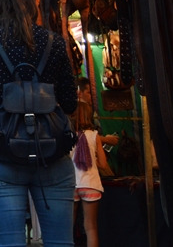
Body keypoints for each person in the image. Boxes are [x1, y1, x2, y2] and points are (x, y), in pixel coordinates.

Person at [0, 0, 77, 247]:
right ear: (28, 2)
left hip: (2, 154)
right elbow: (70, 103)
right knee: (61, 242)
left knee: (9, 243)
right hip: (52, 152)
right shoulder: (54, 42)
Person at [72, 101, 105, 247]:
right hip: (91, 184)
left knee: (68, 227)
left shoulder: (68, 136)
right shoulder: (95, 136)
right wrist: (90, 160)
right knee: (91, 227)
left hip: (72, 184)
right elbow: (103, 165)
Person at [76, 77, 119, 148]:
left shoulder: (89, 110)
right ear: (80, 93)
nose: (91, 97)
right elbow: (83, 136)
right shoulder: (78, 111)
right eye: (89, 93)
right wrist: (105, 140)